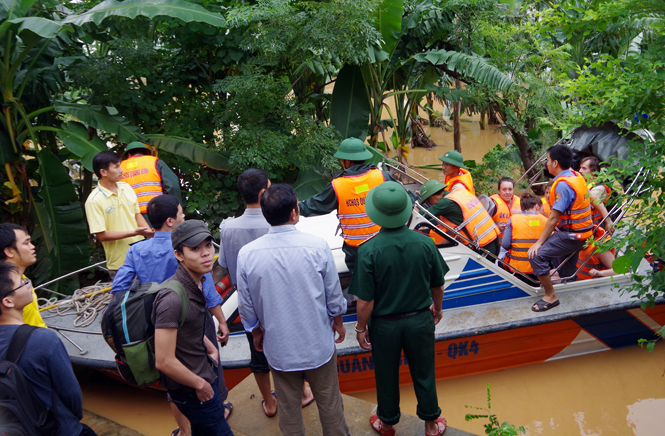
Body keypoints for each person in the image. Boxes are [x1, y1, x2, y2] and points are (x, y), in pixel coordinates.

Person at [111, 195, 231, 436]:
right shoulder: (176, 288)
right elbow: (209, 294)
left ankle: (185, 429)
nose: (205, 253)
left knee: (177, 380)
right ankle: (213, 407)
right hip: (186, 319)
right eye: (180, 212)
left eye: (208, 246)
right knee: (206, 377)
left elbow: (119, 288)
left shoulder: (138, 251)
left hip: (161, 326)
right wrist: (221, 320)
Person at [237, 184, 349, 436]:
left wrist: (255, 332)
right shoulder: (317, 246)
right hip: (318, 344)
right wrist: (338, 322)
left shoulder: (247, 254)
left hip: (279, 349)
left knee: (288, 410)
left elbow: (246, 305)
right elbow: (333, 295)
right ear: (294, 212)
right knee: (330, 404)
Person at [349, 181, 448, 436]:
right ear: (407, 212)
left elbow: (365, 301)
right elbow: (438, 286)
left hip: (384, 326)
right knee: (424, 371)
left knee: (386, 373)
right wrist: (437, 309)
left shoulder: (368, 250)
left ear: (376, 214)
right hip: (419, 321)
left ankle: (388, 423)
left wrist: (360, 328)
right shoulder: (425, 243)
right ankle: (430, 425)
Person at [218, 168, 313, 418]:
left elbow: (227, 267)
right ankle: (303, 393)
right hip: (284, 299)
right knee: (293, 346)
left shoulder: (228, 229)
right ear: (263, 193)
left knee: (257, 353)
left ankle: (269, 404)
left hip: (249, 303)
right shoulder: (277, 222)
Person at [153, 220, 233, 436]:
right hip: (192, 389)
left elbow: (188, 329)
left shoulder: (197, 281)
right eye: (195, 249)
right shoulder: (171, 299)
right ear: (179, 255)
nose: (206, 253)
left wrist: (211, 348)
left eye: (207, 245)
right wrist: (200, 384)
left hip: (202, 373)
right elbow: (163, 360)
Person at [0, 262, 97, 436]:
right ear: (7, 301)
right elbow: (71, 394)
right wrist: (73, 417)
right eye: (23, 283)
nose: (29, 285)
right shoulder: (43, 339)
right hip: (59, 428)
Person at [298, 137, 407, 272]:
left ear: (347, 161)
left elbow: (316, 205)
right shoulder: (381, 176)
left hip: (356, 251)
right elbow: (403, 196)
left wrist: (294, 208)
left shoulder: (338, 185)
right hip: (384, 245)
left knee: (362, 286)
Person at [527, 144, 594, 312]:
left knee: (536, 256)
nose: (546, 164)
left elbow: (553, 217)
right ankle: (568, 287)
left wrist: (538, 243)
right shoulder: (575, 175)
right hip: (583, 234)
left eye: (548, 160)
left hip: (572, 235)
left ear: (555, 163)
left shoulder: (563, 185)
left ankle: (551, 296)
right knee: (567, 268)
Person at [85, 151, 154, 279]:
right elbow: (101, 235)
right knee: (127, 298)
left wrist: (149, 234)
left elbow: (136, 214)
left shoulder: (126, 187)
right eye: (116, 167)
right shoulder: (94, 200)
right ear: (103, 172)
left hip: (142, 256)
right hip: (120, 264)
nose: (121, 170)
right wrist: (134, 233)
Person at [422, 182, 501, 256]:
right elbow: (455, 233)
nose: (430, 205)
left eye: (428, 202)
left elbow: (422, 215)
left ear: (432, 197)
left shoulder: (445, 203)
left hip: (483, 247)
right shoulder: (458, 194)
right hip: (492, 239)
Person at [0, 223, 46, 328]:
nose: (32, 247)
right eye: (26, 243)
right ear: (9, 251)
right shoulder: (7, 287)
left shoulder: (21, 278)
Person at [120, 141, 182, 217]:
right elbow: (172, 185)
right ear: (145, 153)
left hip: (131, 214)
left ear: (128, 154)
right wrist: (176, 209)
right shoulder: (155, 162)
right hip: (156, 210)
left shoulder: (119, 167)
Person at [502, 192, 548, 284]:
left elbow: (505, 244)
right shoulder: (545, 221)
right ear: (537, 206)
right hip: (539, 271)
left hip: (516, 270)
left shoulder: (513, 219)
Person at [579, 156, 613, 231]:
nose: (580, 171)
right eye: (580, 168)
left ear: (594, 171)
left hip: (597, 229)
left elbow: (584, 204)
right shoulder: (585, 184)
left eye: (584, 168)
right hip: (589, 226)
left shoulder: (599, 188)